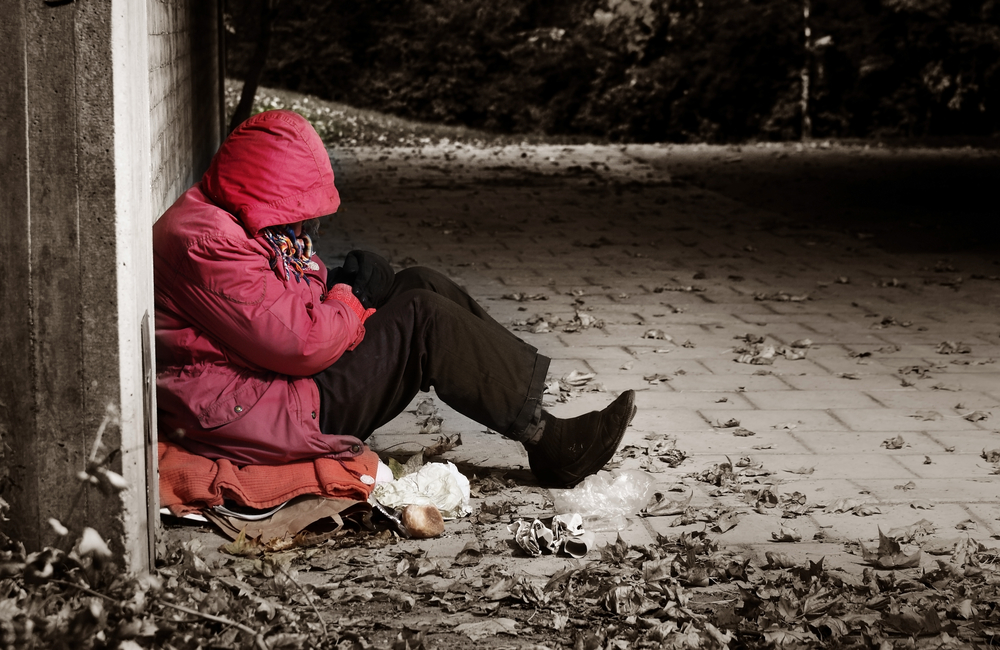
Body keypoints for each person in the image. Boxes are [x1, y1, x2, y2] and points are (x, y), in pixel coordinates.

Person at [153, 109, 635, 489]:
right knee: (421, 318)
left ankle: (540, 425)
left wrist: (334, 280)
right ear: (271, 194)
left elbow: (281, 292)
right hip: (263, 409)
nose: (307, 228)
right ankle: (549, 443)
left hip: (269, 384)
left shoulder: (235, 218)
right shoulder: (207, 243)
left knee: (417, 282)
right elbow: (301, 345)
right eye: (300, 213)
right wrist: (350, 294)